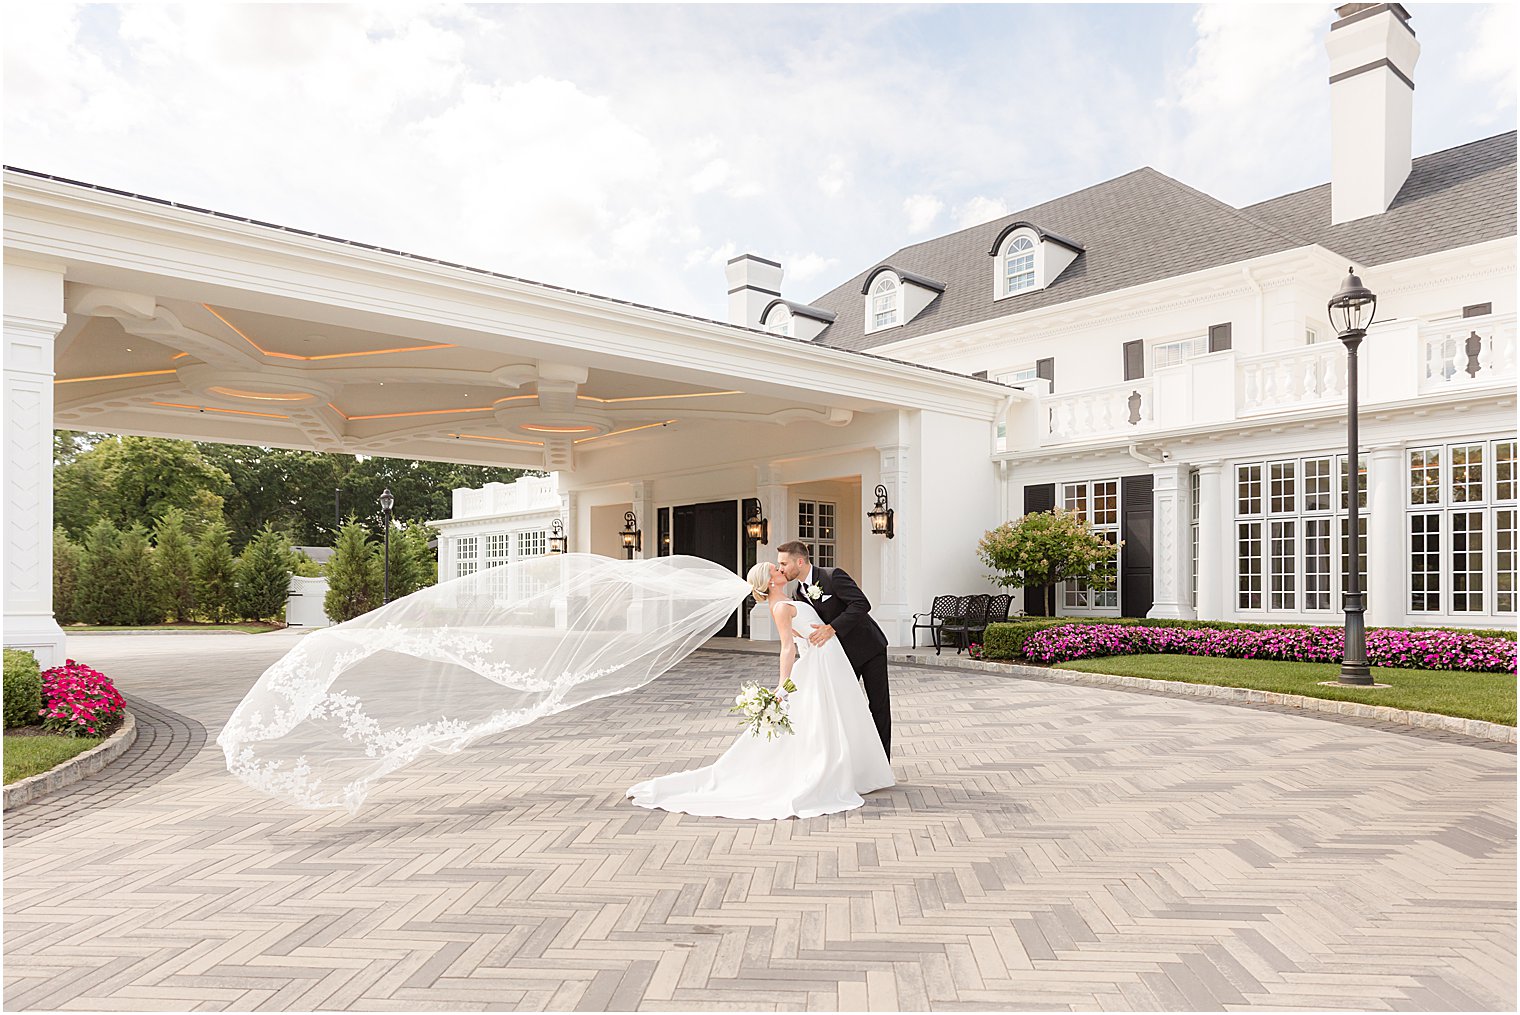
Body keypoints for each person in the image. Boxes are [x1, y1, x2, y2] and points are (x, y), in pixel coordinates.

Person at [625, 562, 894, 820]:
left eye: (780, 565)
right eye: (776, 569)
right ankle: (832, 772)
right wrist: (783, 684)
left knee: (841, 715)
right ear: (769, 581)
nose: (780, 569)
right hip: (820, 663)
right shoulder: (780, 607)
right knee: (824, 720)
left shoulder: (797, 594)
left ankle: (855, 770)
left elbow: (804, 632)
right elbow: (787, 647)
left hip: (829, 659)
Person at [775, 541, 892, 760]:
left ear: (799, 561)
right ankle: (852, 762)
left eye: (783, 563)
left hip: (869, 648)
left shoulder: (832, 576)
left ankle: (883, 762)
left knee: (878, 706)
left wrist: (833, 628)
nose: (780, 568)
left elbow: (861, 604)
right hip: (840, 656)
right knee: (845, 707)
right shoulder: (797, 592)